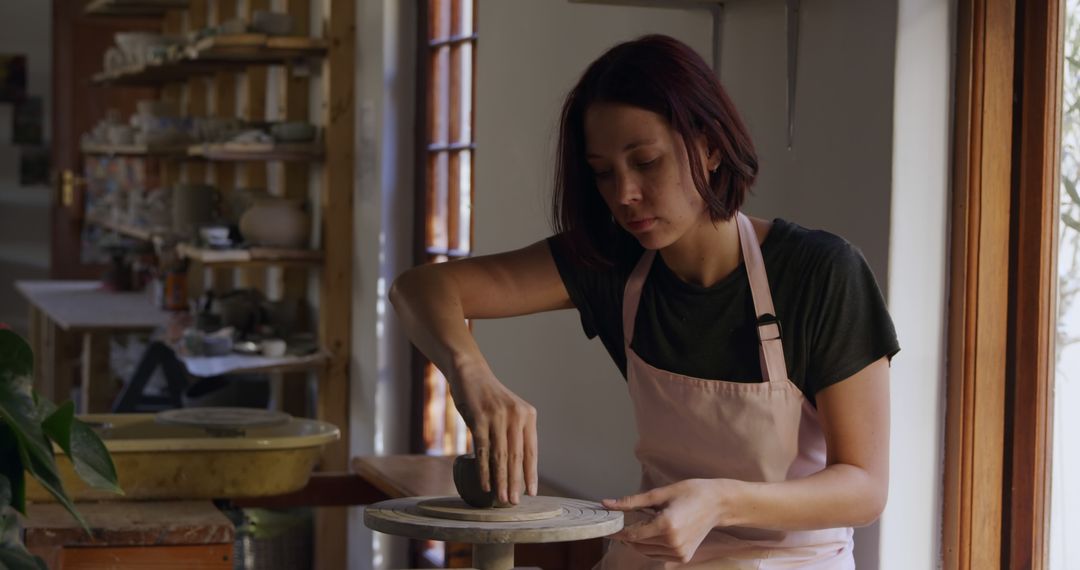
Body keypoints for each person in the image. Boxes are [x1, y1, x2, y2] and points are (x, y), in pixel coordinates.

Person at [390, 34, 899, 569]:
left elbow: (864, 487)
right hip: (652, 557)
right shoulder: (612, 262)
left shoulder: (821, 272)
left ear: (710, 145)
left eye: (646, 162)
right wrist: (471, 375)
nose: (625, 194)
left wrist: (720, 501)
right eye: (604, 172)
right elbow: (419, 288)